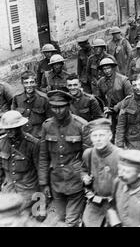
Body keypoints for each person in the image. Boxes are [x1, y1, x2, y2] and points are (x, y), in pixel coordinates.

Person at [39, 90, 89, 227]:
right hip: (56, 181)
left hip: (75, 181)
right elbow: (43, 156)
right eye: (54, 107)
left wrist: (85, 177)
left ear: (68, 106)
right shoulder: (47, 126)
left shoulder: (81, 125)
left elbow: (88, 156)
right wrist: (44, 183)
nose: (58, 111)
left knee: (70, 221)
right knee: (61, 218)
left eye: (61, 107)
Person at [0, 111, 40, 211]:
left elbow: (40, 169)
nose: (9, 132)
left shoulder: (32, 144)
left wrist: (42, 193)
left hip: (28, 191)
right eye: (7, 129)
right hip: (9, 191)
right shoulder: (1, 142)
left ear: (20, 127)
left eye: (12, 129)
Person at [81, 118, 120, 227]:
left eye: (101, 135)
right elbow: (83, 170)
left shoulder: (120, 156)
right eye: (95, 136)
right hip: (95, 203)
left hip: (115, 205)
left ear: (110, 136)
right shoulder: (88, 154)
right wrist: (84, 177)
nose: (98, 139)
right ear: (91, 138)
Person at [97, 58, 132, 143]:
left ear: (113, 68)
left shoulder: (123, 80)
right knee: (110, 134)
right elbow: (99, 98)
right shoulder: (101, 82)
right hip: (110, 112)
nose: (107, 71)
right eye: (104, 69)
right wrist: (104, 107)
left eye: (108, 68)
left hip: (124, 109)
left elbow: (130, 96)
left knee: (126, 133)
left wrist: (117, 107)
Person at [12, 71, 51, 139]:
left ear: (35, 83)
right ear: (22, 84)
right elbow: (14, 119)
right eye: (26, 83)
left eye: (31, 82)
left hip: (39, 137)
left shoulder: (44, 99)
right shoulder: (17, 98)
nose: (29, 85)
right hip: (23, 137)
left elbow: (49, 121)